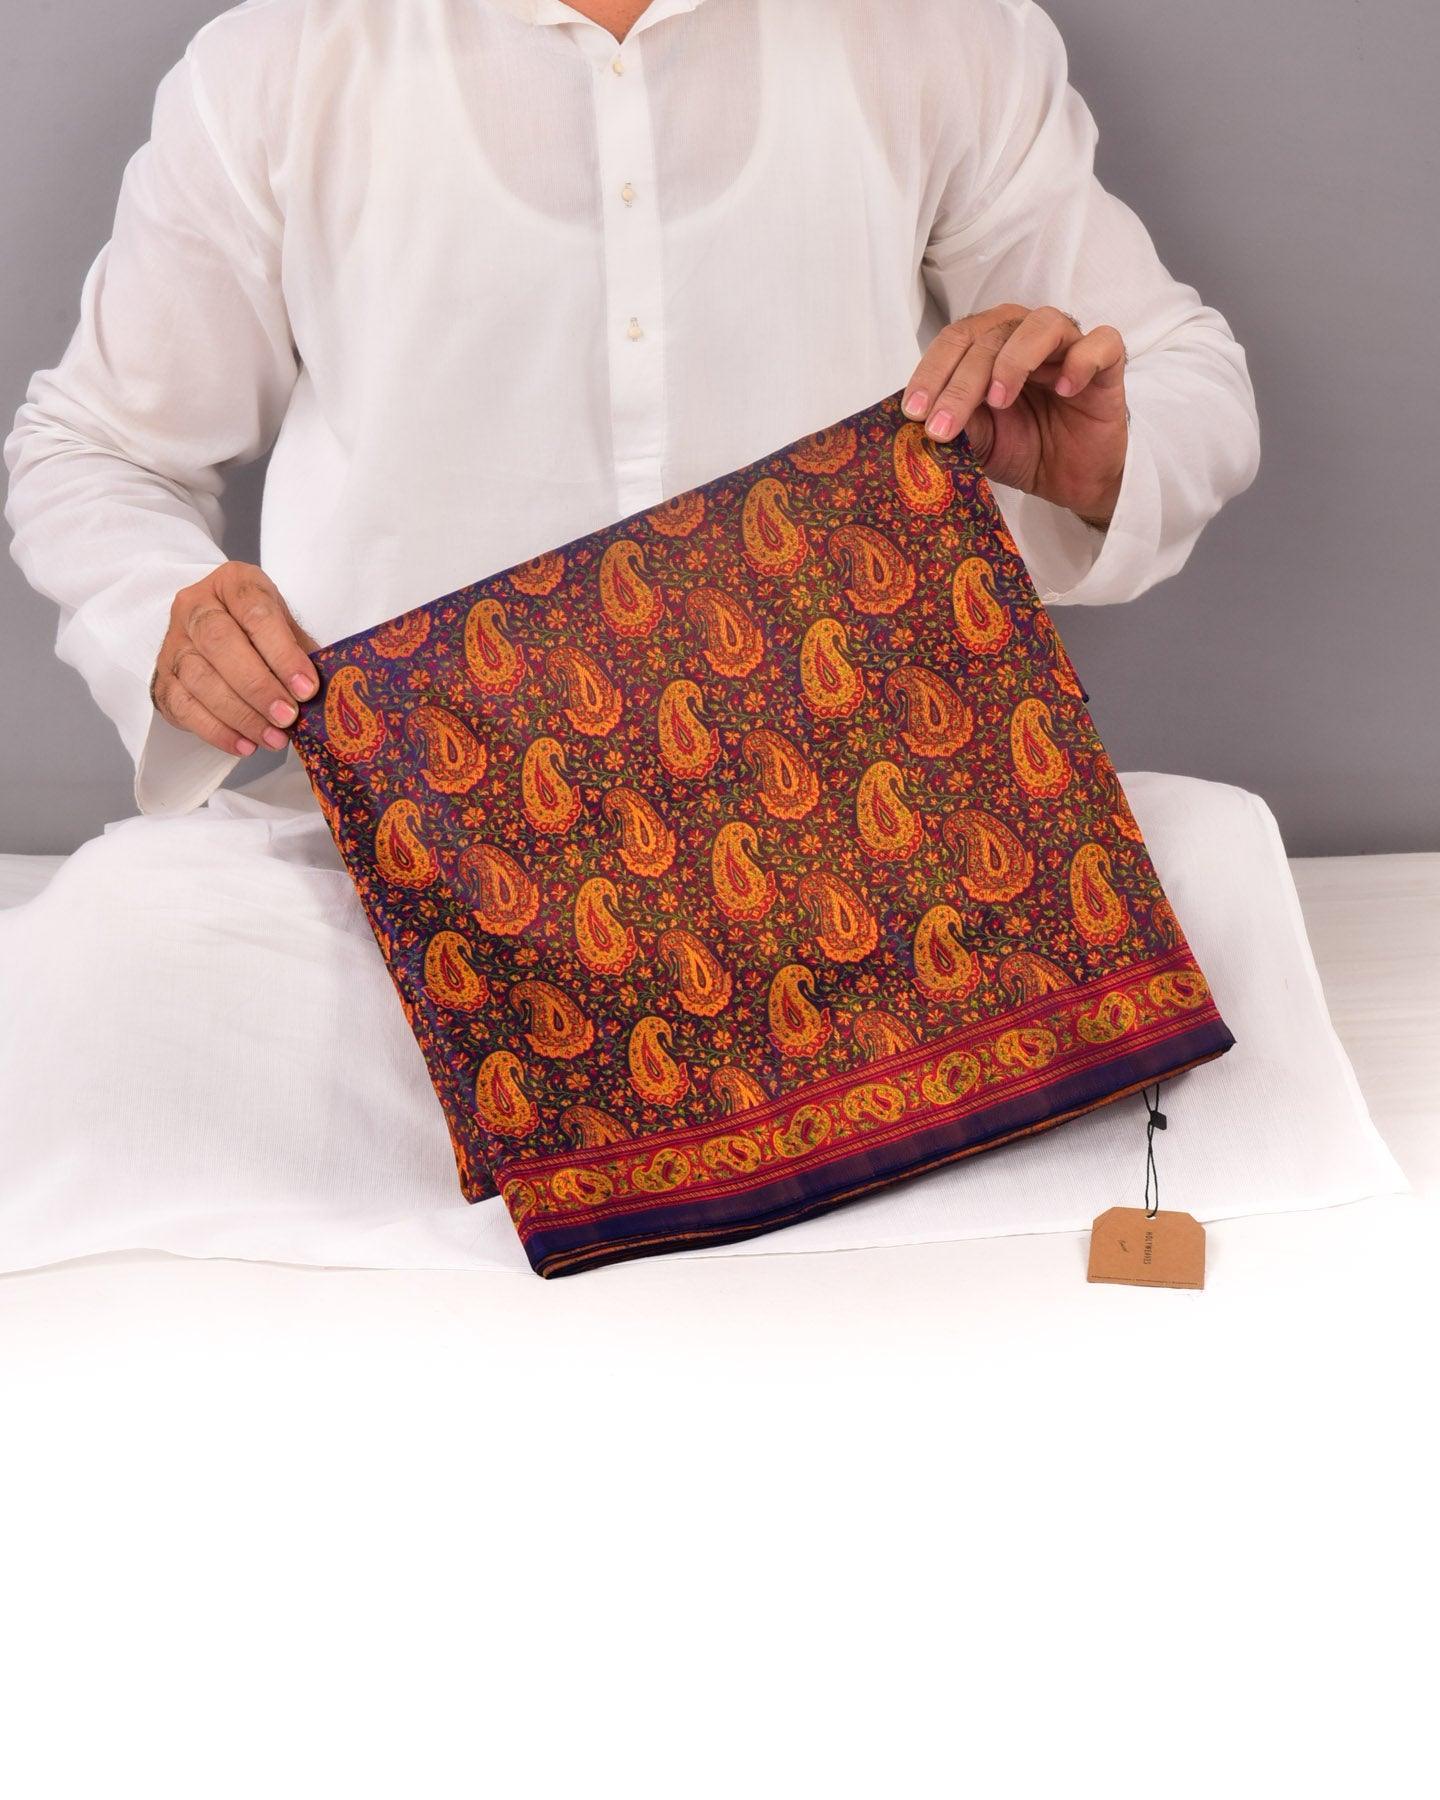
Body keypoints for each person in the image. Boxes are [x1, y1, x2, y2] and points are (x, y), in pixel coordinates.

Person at [0, 0, 1260, 1263]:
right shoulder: (280, 59)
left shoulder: (940, 32)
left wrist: (1101, 459)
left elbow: (1179, 370)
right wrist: (172, 614)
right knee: (112, 949)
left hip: (876, 865)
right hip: (427, 893)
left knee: (1228, 867)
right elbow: (89, 448)